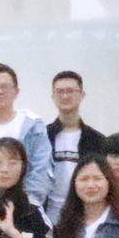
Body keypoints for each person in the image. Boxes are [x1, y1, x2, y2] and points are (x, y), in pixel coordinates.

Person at [0, 63, 55, 208]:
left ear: (16, 91)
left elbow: (41, 169)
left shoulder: (32, 125)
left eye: (5, 86)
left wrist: (27, 206)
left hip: (24, 205)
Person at [45, 70, 106, 225]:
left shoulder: (98, 140)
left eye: (70, 91)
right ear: (53, 96)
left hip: (86, 215)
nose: (65, 96)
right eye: (60, 92)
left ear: (82, 95)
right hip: (48, 216)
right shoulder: (42, 136)